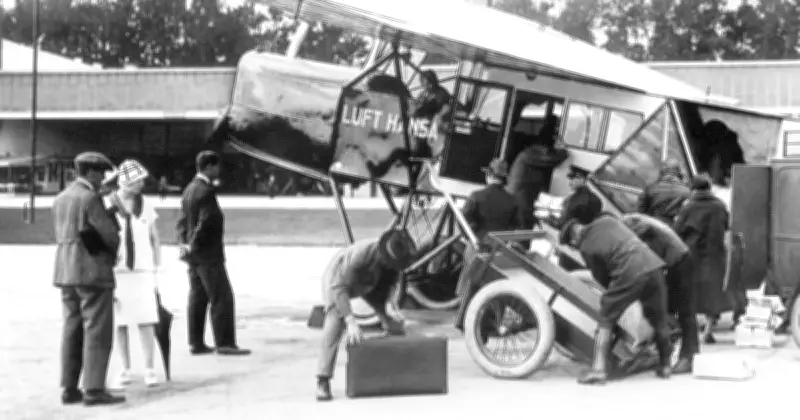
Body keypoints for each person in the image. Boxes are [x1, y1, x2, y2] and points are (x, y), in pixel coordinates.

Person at [561, 205, 673, 385]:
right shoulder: (607, 221)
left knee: (605, 317)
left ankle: (598, 370)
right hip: (653, 266)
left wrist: (615, 298)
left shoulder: (586, 248)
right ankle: (666, 365)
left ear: (573, 238)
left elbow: (603, 278)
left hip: (630, 272)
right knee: (658, 317)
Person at [52, 151, 126, 406]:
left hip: (65, 270)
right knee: (97, 330)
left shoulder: (60, 198)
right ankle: (94, 389)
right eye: (101, 173)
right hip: (92, 271)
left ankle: (69, 387)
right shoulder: (91, 199)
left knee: (71, 329)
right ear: (91, 172)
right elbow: (110, 236)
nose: (103, 179)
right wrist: (113, 218)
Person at [315, 229, 417, 401]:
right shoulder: (360, 256)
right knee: (335, 321)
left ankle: (392, 374)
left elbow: (388, 288)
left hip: (370, 283)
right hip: (338, 282)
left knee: (394, 325)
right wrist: (351, 322)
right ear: (384, 253)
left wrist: (389, 307)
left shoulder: (394, 262)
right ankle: (322, 380)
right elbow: (340, 289)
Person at [176, 151, 251, 356]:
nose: (218, 170)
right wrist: (194, 243)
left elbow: (182, 222)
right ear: (209, 167)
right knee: (222, 297)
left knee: (198, 297)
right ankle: (225, 342)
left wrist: (184, 244)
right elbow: (206, 221)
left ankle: (196, 342)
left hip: (193, 256)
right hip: (207, 253)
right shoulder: (206, 191)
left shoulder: (189, 190)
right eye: (216, 166)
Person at [105, 160, 163, 388]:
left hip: (142, 270)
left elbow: (154, 237)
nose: (141, 185)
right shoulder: (109, 204)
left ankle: (149, 368)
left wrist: (156, 266)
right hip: (118, 271)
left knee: (146, 319)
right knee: (120, 322)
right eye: (136, 181)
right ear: (125, 182)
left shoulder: (144, 204)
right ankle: (125, 368)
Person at [620, 213, 697, 374]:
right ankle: (658, 351)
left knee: (685, 310)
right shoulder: (631, 221)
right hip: (676, 258)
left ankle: (688, 357)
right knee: (667, 308)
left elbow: (649, 258)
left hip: (679, 260)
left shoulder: (633, 227)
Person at [453, 158, 524, 330]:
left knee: (472, 283)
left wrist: (469, 237)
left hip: (479, 245)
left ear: (489, 176)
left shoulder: (477, 196)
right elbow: (518, 226)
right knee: (495, 285)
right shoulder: (512, 200)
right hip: (501, 249)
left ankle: (464, 320)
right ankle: (494, 319)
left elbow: (463, 222)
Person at [673, 175, 732, 344]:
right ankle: (708, 330)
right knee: (713, 293)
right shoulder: (720, 206)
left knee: (691, 293)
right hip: (715, 256)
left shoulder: (688, 207)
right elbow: (727, 226)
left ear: (694, 189)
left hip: (693, 256)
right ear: (709, 188)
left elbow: (677, 231)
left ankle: (689, 333)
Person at [506, 117, 569, 248]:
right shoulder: (530, 154)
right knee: (522, 233)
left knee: (522, 230)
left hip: (522, 198)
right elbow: (554, 159)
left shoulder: (528, 154)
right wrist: (563, 150)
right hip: (521, 200)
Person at [637, 159, 691, 225]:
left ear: (662, 172)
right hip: (672, 232)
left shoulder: (652, 188)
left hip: (652, 226)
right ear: (679, 174)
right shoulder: (687, 192)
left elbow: (640, 212)